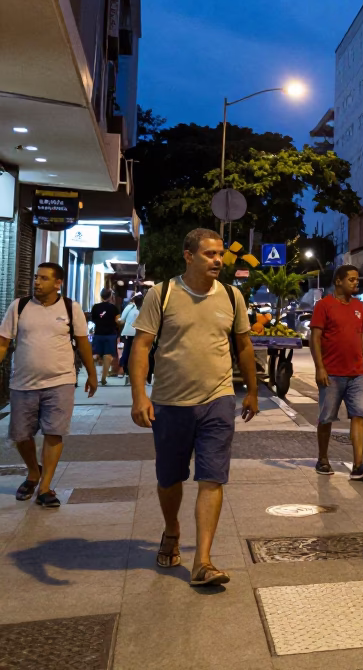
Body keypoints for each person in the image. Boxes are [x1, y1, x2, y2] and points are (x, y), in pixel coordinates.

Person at [127, 228, 259, 588]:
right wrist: (140, 395)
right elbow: (141, 347)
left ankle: (203, 560)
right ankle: (172, 529)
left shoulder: (232, 297)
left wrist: (251, 390)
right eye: (209, 254)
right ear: (189, 256)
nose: (218, 260)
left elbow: (244, 346)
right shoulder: (163, 294)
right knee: (169, 479)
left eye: (220, 254)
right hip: (170, 403)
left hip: (217, 399)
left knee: (212, 477)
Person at [0, 263, 96, 508]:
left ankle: (45, 487)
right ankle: (34, 472)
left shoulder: (70, 308)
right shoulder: (19, 306)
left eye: (43, 278)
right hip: (23, 382)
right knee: (21, 435)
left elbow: (83, 344)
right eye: (35, 277)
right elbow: (3, 343)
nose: (37, 282)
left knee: (54, 431)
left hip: (60, 381)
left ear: (57, 283)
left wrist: (92, 375)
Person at [310, 264, 363, 480]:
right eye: (351, 279)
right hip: (331, 374)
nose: (355, 282)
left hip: (357, 373)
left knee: (359, 415)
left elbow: (362, 337)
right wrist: (320, 367)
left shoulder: (359, 306)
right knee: (326, 418)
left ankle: (358, 465)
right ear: (338, 281)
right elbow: (315, 338)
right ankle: (322, 459)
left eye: (357, 279)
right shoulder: (324, 305)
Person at [89, 287, 121, 384]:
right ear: (111, 296)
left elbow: (93, 319)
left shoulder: (95, 307)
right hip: (110, 334)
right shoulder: (114, 308)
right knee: (108, 356)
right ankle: (103, 378)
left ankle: (92, 376)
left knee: (95, 355)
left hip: (98, 333)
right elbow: (118, 321)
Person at [117, 291, 143, 379]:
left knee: (130, 351)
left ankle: (127, 369)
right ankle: (125, 369)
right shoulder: (133, 307)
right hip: (134, 332)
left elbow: (122, 319)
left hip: (134, 332)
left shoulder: (132, 307)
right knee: (131, 351)